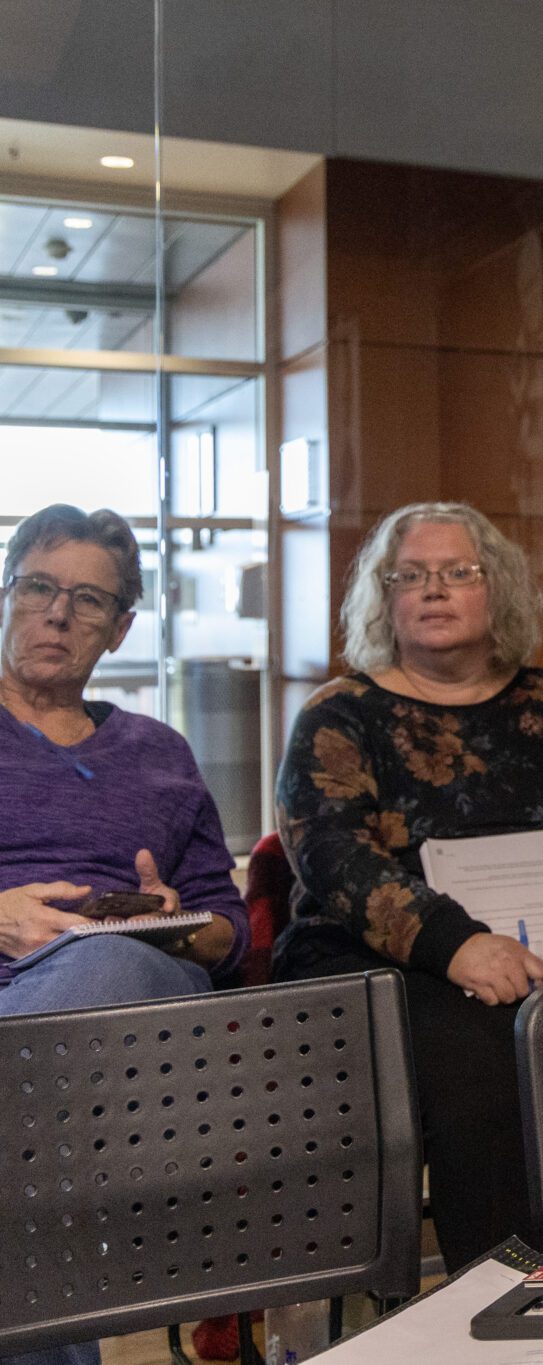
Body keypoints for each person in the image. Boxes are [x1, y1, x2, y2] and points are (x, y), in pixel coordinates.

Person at [273, 501, 543, 1271]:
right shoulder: (340, 714)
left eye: (459, 571)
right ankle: (515, 1301)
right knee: (484, 1045)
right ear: (384, 599)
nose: (434, 589)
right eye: (411, 575)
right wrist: (457, 946)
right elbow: (333, 859)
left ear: (499, 592)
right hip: (398, 962)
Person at [0, 504, 249, 1365]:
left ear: (121, 628)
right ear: (6, 594)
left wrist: (171, 924)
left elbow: (230, 924)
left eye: (89, 600)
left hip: (130, 1001)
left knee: (101, 962)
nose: (57, 613)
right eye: (38, 586)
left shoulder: (159, 752)